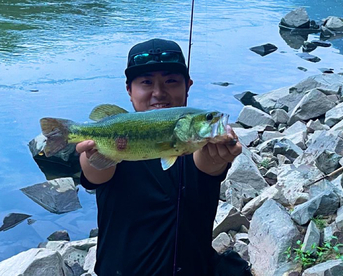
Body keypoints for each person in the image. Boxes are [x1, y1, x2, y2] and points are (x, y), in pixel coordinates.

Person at [76, 38, 244, 276]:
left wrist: (219, 157)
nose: (158, 92)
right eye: (146, 82)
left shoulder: (199, 145)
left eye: (171, 81)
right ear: (129, 91)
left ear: (188, 86)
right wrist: (92, 155)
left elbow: (208, 165)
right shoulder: (115, 140)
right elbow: (95, 172)